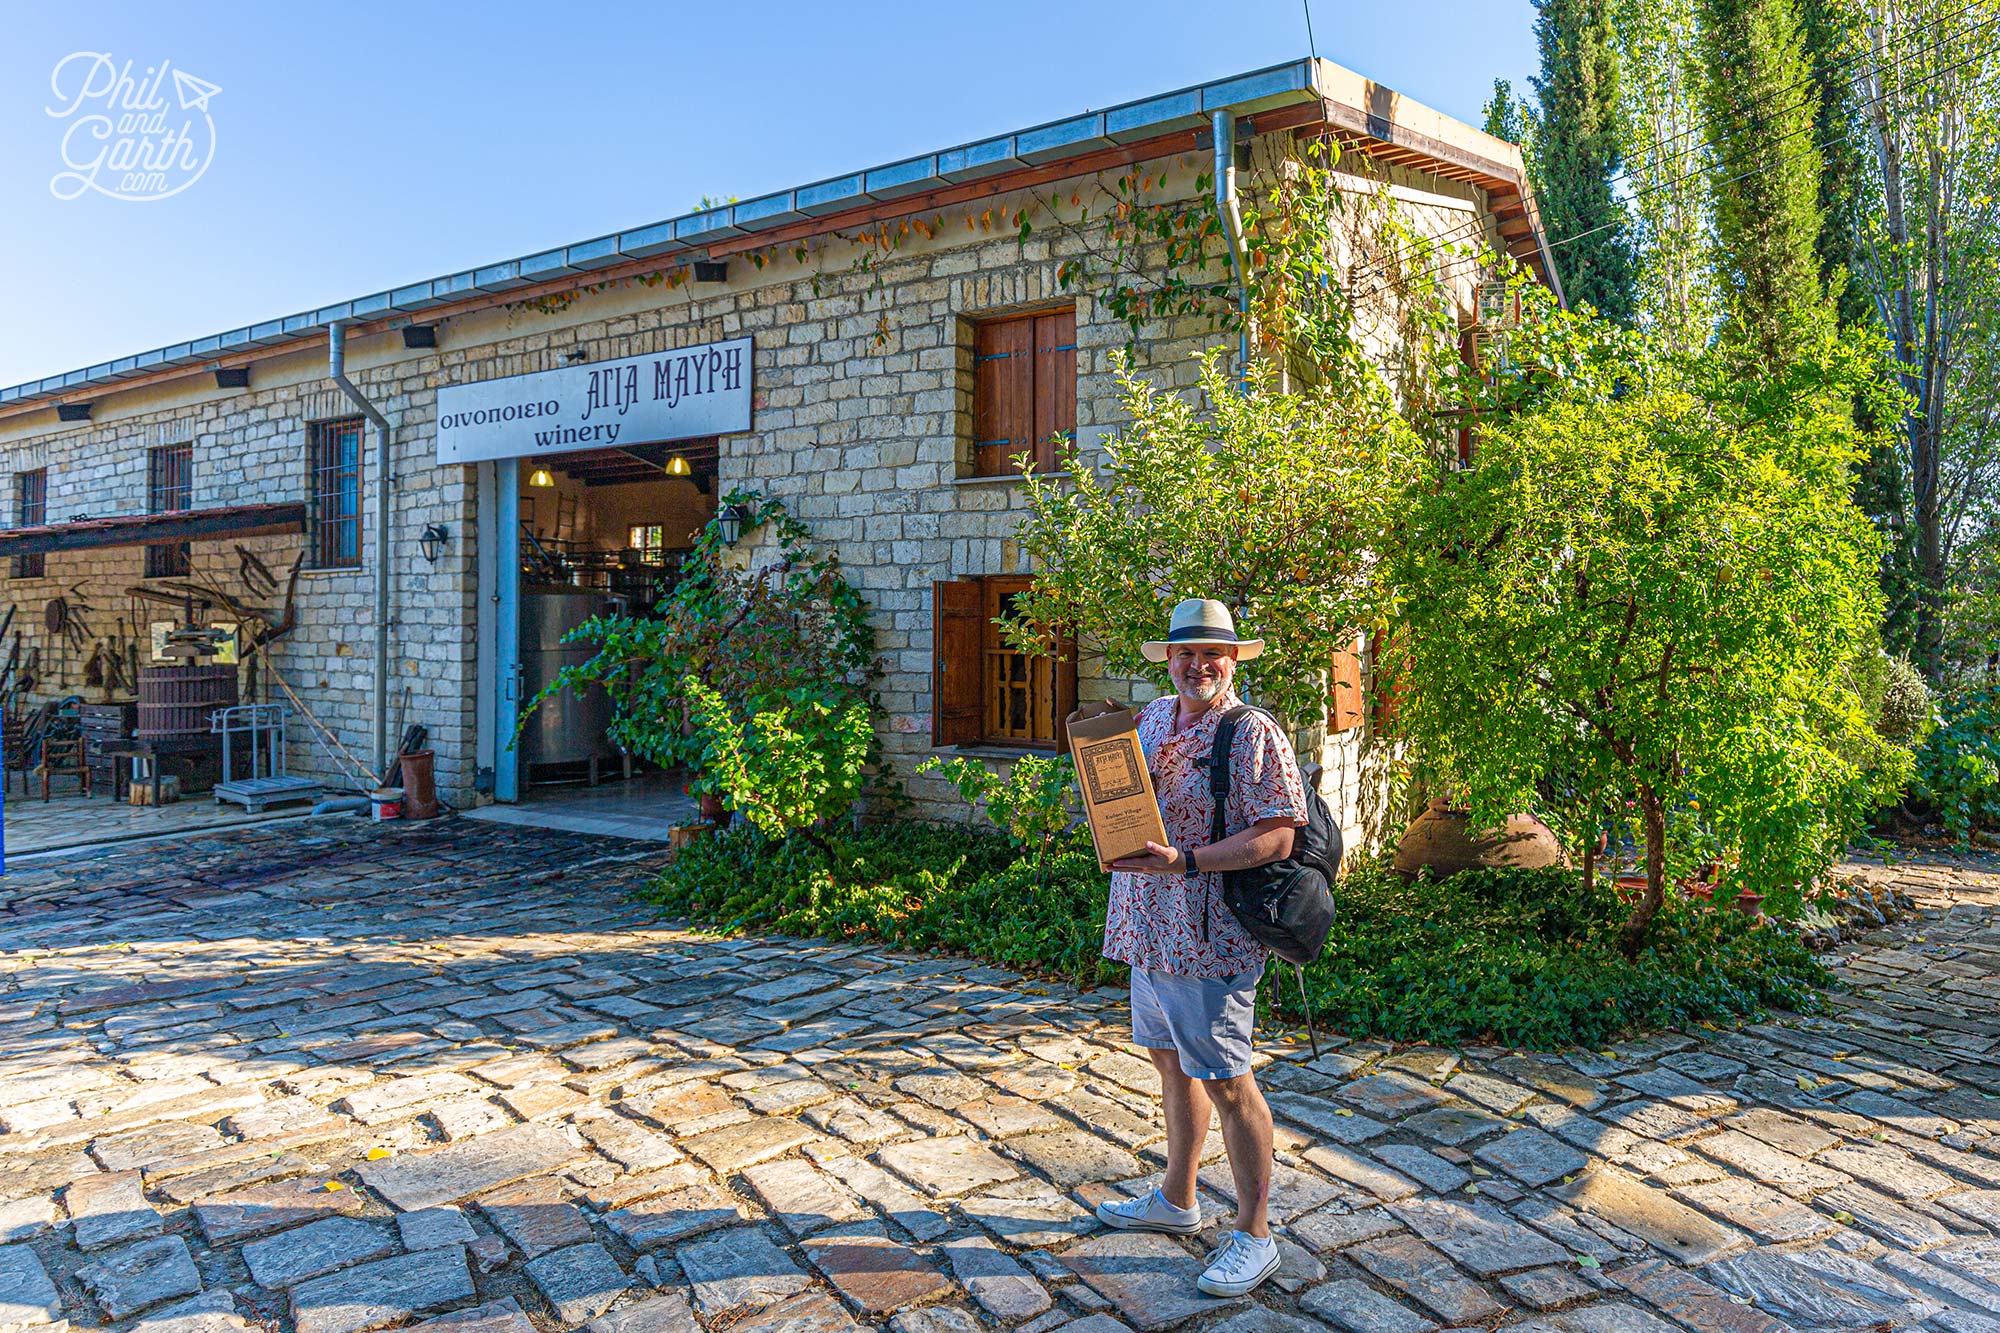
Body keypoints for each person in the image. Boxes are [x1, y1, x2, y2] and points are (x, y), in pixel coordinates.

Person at [1093, 598, 1308, 1298]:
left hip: (1209, 934)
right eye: (1185, 653)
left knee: (1226, 1078)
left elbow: (1279, 836)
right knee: (1170, 1064)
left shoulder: (1252, 733)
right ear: (1170, 658)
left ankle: (1254, 1233)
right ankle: (1177, 1199)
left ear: (1235, 658)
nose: (1197, 665)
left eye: (1212, 653)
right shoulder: (1153, 715)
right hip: (1147, 924)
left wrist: (1185, 860)